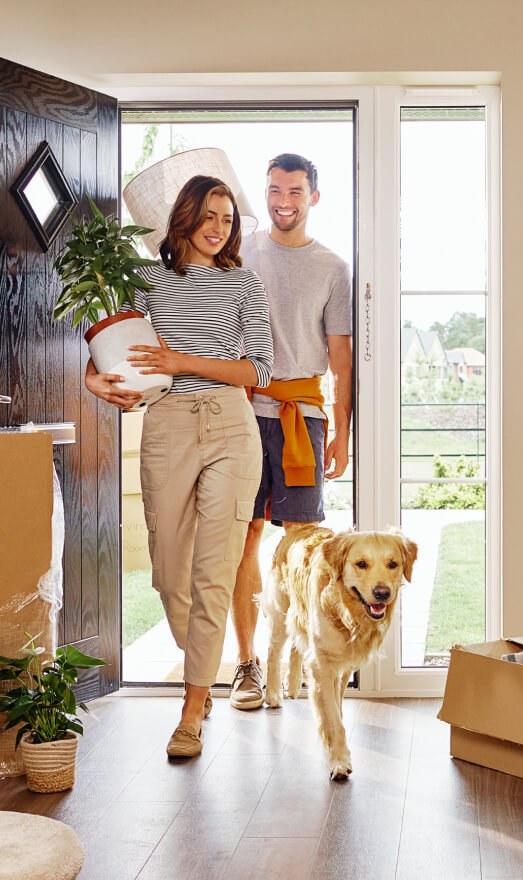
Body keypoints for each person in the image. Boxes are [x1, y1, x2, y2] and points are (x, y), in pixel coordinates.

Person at [84, 175, 273, 757]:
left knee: (214, 571)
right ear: (184, 217)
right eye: (210, 216)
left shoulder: (244, 284)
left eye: (228, 218)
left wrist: (181, 358)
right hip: (165, 423)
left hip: (230, 425)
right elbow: (106, 347)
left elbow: (257, 371)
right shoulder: (143, 280)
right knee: (169, 571)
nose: (219, 228)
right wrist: (94, 379)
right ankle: (204, 674)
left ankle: (192, 706)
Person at [226, 153, 354, 710]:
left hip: (304, 414)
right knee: (244, 535)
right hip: (242, 410)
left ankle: (301, 653)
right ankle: (248, 665)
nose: (284, 200)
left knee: (302, 543)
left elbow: (342, 361)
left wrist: (342, 433)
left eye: (295, 191)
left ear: (313, 198)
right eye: (275, 189)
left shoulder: (332, 267)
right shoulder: (240, 252)